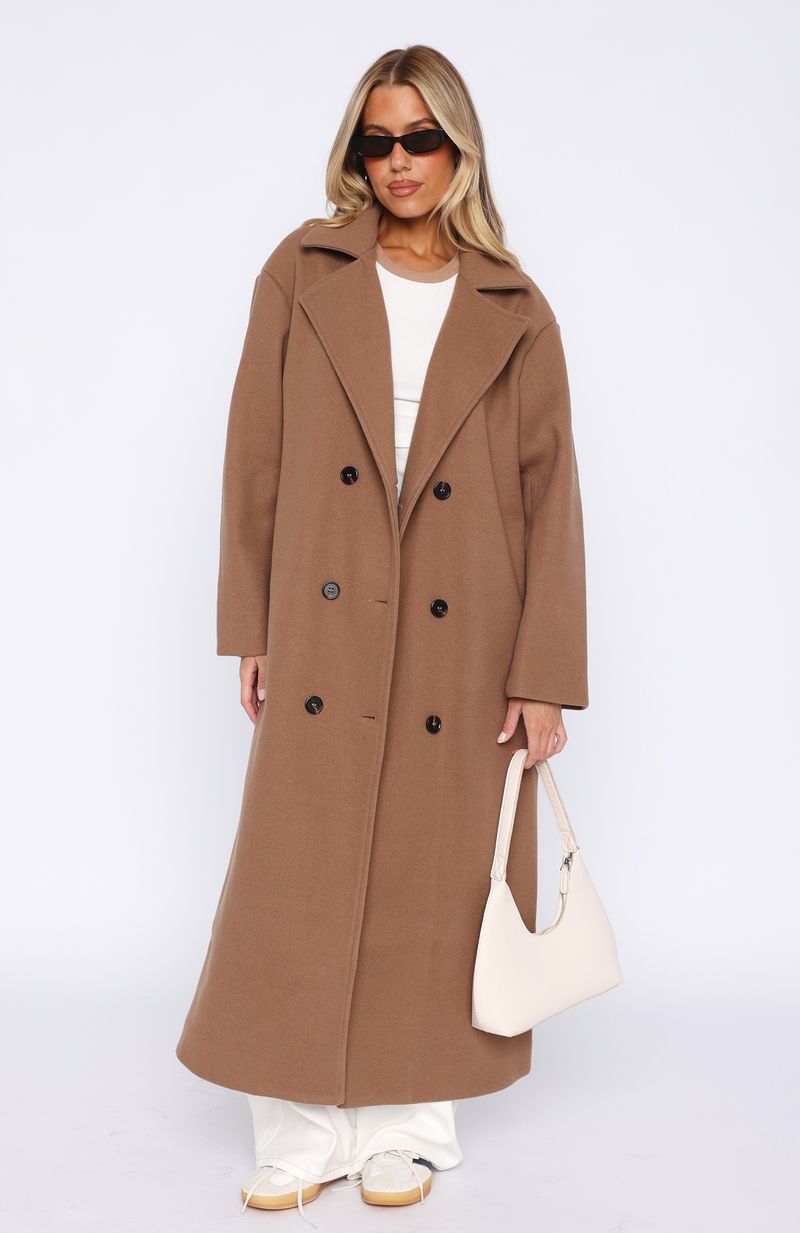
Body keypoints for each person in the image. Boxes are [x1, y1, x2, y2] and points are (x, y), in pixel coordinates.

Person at [175, 43, 589, 1222]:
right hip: (326, 609)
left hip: (465, 624)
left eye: (420, 139)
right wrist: (249, 626)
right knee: (299, 867)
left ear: (458, 147)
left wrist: (543, 672)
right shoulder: (301, 271)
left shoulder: (512, 304)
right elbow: (254, 453)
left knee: (435, 872)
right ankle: (299, 1126)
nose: (398, 162)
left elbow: (550, 494)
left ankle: (406, 1124)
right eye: (376, 140)